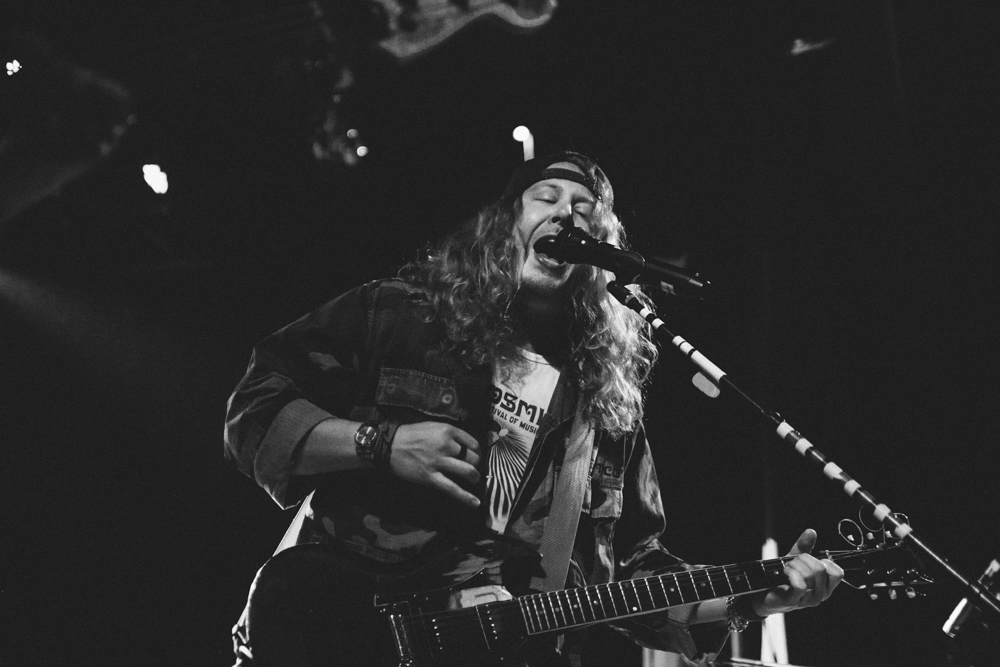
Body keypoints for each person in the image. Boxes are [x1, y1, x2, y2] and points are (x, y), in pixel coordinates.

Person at [224, 151, 844, 666]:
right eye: (545, 197)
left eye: (584, 209)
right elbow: (256, 410)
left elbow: (631, 572)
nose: (565, 213)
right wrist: (381, 443)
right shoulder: (401, 314)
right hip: (335, 630)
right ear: (504, 224)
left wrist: (755, 599)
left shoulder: (606, 407)